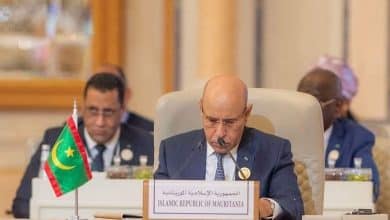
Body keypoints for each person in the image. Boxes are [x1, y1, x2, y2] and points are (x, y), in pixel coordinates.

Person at [154, 75, 304, 220]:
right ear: (201, 109)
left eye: (230, 122)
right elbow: (156, 207)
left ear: (246, 113)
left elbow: (293, 206)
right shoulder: (172, 151)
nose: (220, 133)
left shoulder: (274, 151)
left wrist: (266, 207)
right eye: (212, 120)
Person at [12, 73, 154, 218]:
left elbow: (156, 206)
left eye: (108, 112)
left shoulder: (146, 143)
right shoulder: (57, 140)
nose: (100, 122)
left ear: (122, 110)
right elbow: (22, 205)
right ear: (83, 108)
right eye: (92, 110)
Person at [297, 68, 380, 200]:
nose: (305, 110)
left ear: (337, 107)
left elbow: (370, 188)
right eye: (300, 102)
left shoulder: (357, 138)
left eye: (314, 102)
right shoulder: (283, 135)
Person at [96, 63, 154, 132]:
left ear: (127, 94)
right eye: (96, 86)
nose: (103, 94)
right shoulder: (80, 128)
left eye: (110, 86)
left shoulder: (150, 131)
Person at [308, 55, 358, 121]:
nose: (345, 108)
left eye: (347, 101)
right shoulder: (295, 125)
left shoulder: (355, 130)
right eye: (340, 100)